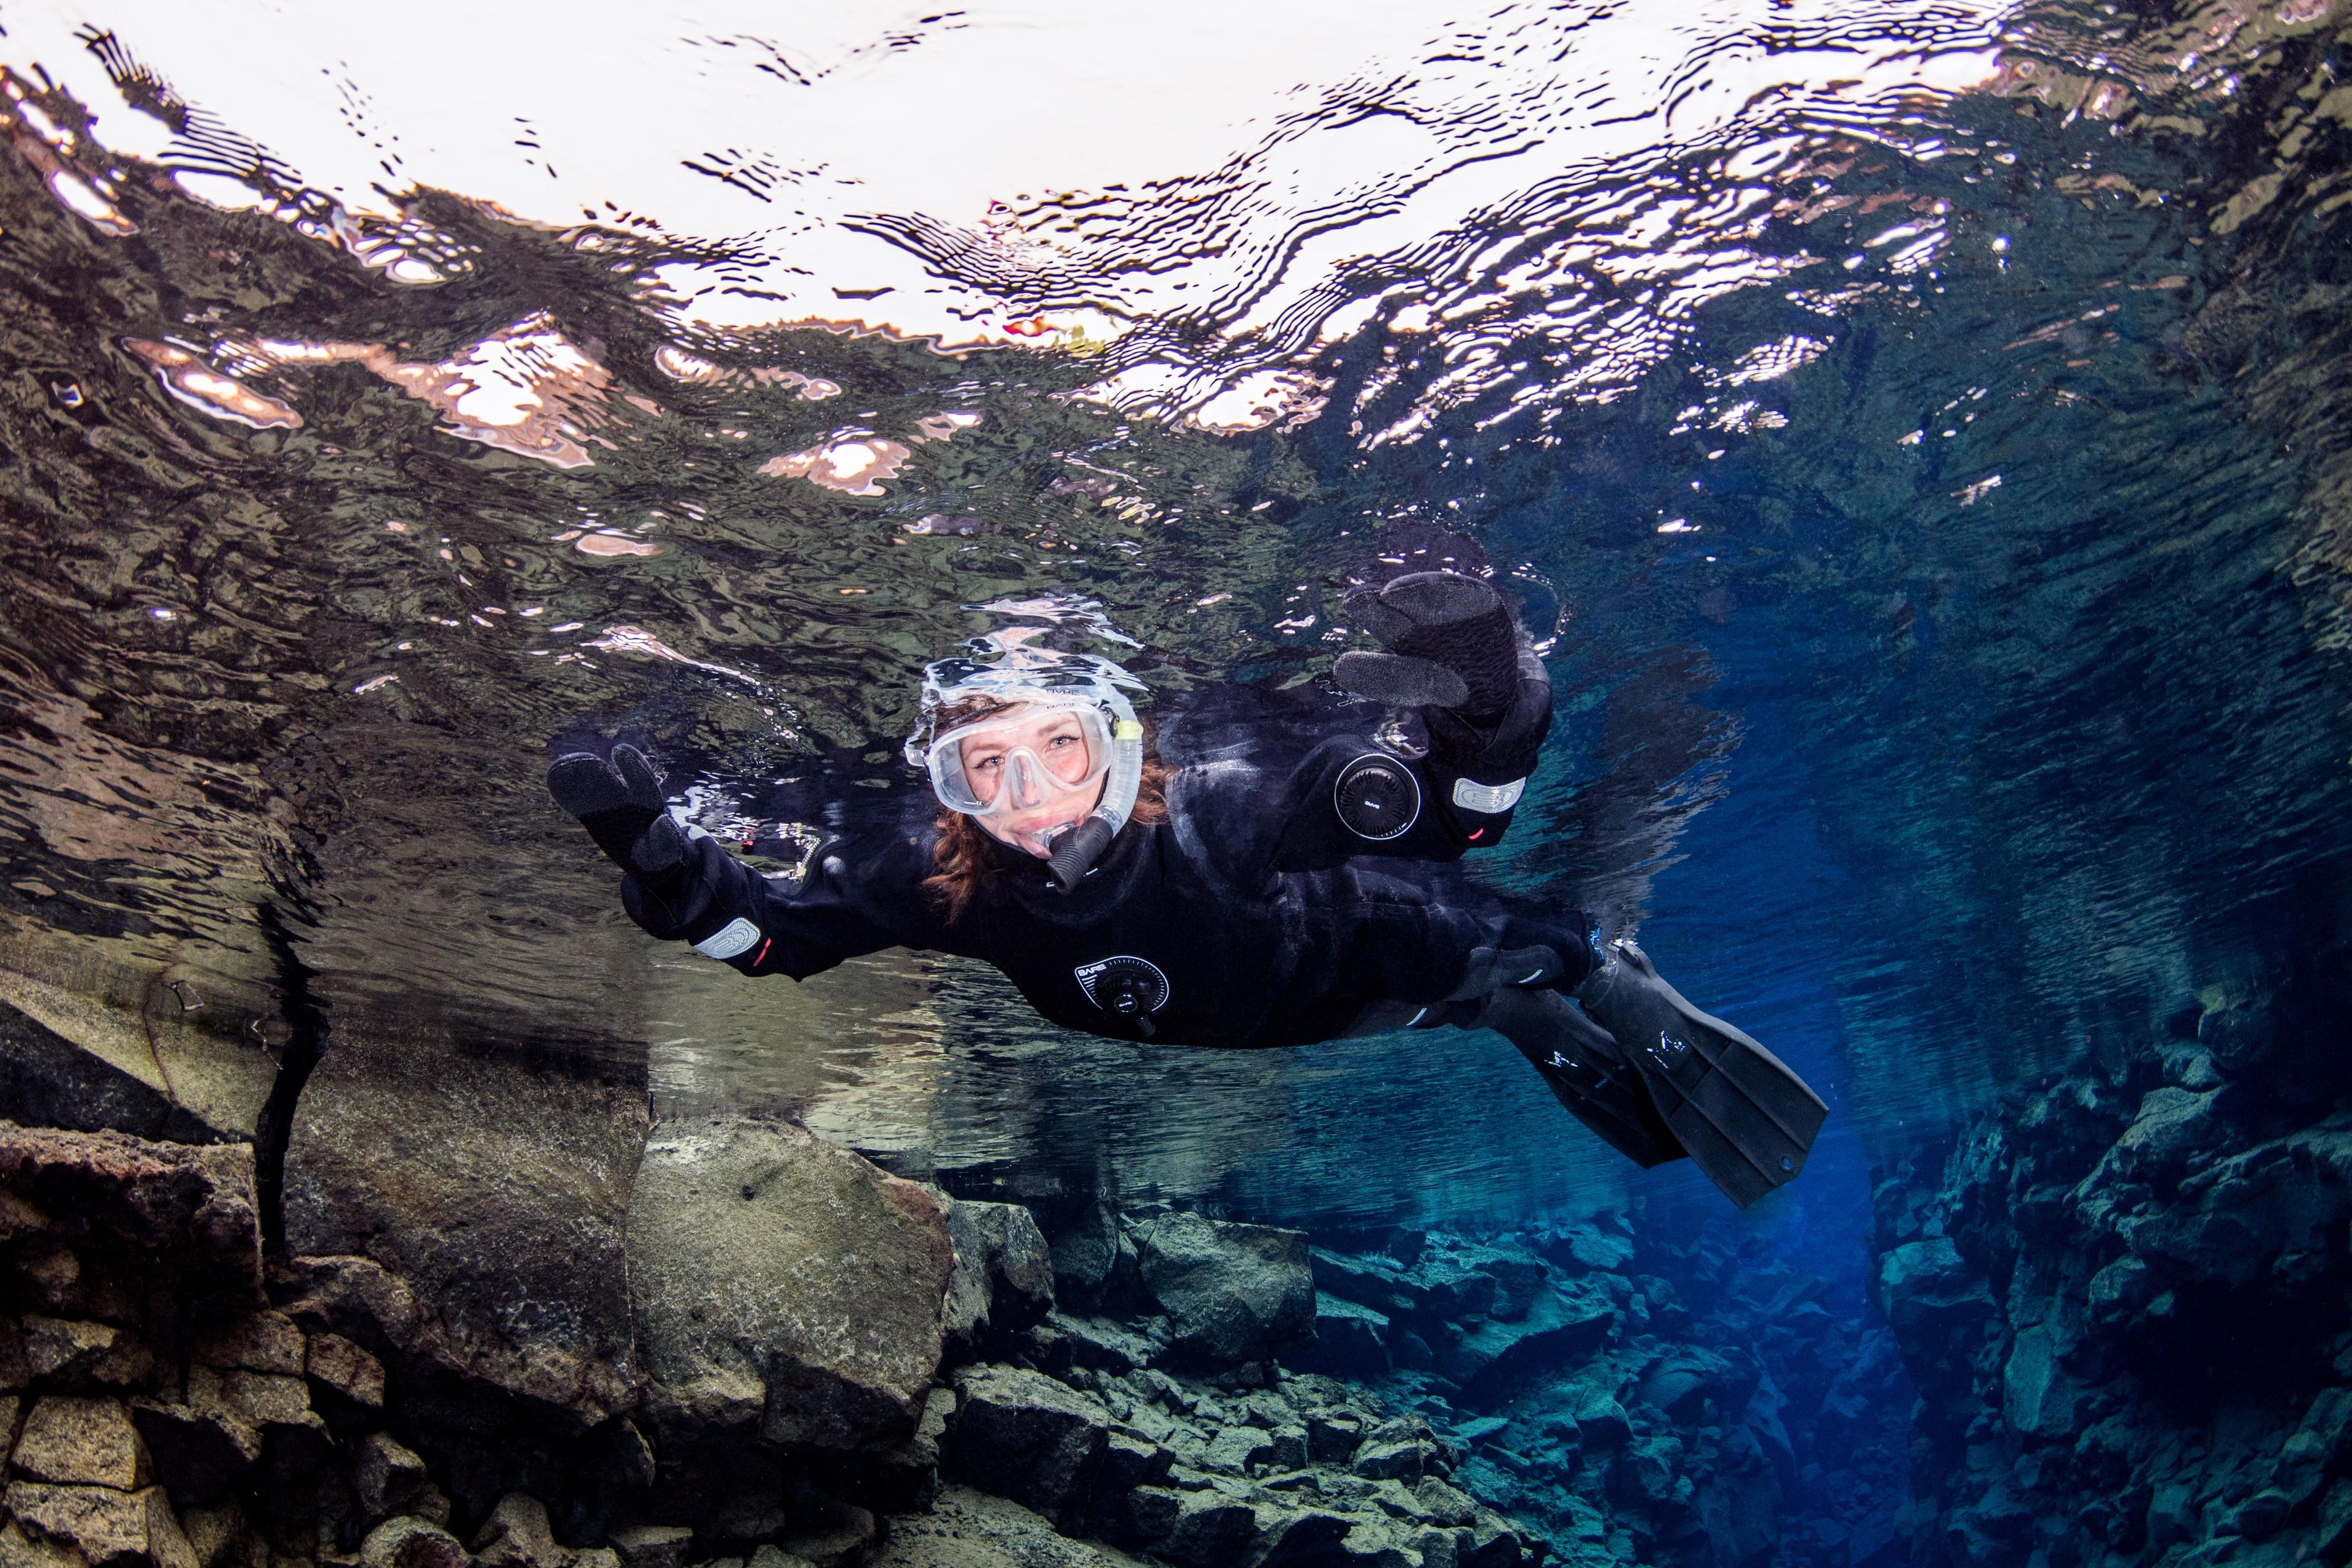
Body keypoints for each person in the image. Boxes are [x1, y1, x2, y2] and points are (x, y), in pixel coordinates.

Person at [548, 573, 1825, 1207]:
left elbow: (1440, 824)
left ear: (1118, 736)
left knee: (1464, 924)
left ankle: (1591, 972)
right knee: (1466, 981)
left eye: (1060, 746)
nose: (1034, 797)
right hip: (1315, 1015)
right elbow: (766, 945)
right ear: (947, 783)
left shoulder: (1227, 792)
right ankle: (1516, 1007)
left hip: (1383, 965)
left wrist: (1495, 712)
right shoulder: (937, 874)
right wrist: (666, 863)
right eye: (984, 767)